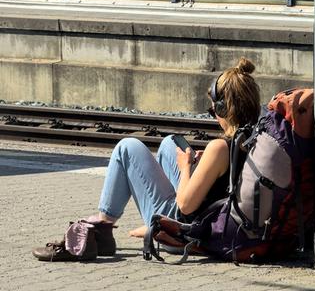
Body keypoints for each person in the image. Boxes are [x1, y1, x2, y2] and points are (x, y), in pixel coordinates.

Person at [33, 57, 262, 261]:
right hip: (214, 216)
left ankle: (103, 228)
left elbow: (185, 205)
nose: (214, 118)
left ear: (223, 109)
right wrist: (204, 167)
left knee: (127, 148)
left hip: (187, 228)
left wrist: (185, 168)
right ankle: (145, 221)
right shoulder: (254, 139)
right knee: (170, 143)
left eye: (213, 112)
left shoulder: (219, 148)